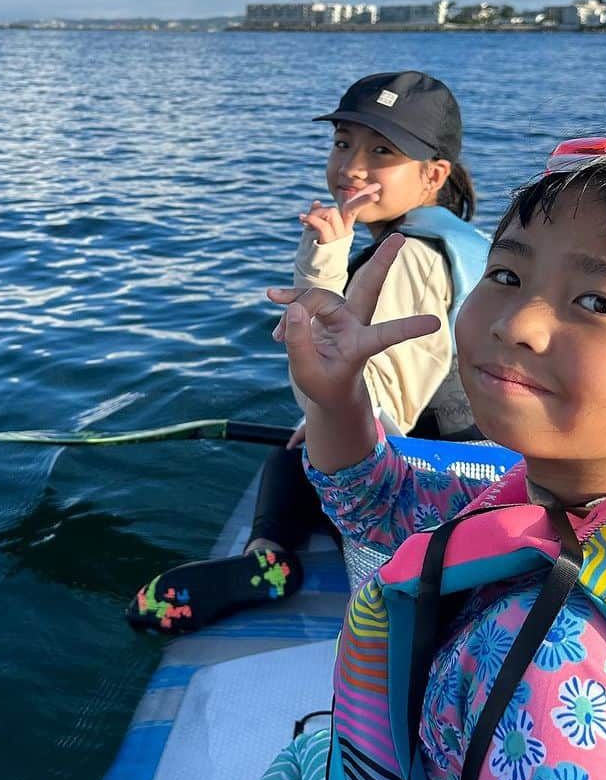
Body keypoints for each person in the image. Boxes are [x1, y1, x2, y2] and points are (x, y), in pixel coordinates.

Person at [221, 131, 606, 780]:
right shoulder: (605, 505)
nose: (517, 323)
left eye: (595, 301)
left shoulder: (558, 672)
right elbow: (382, 502)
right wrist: (336, 402)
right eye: (509, 277)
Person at [127, 70, 489, 635]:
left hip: (424, 488)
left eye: (381, 151)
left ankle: (265, 557)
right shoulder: (449, 241)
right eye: (343, 143)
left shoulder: (410, 257)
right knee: (303, 441)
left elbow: (371, 397)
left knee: (293, 462)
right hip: (474, 462)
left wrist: (332, 418)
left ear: (433, 175)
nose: (351, 167)